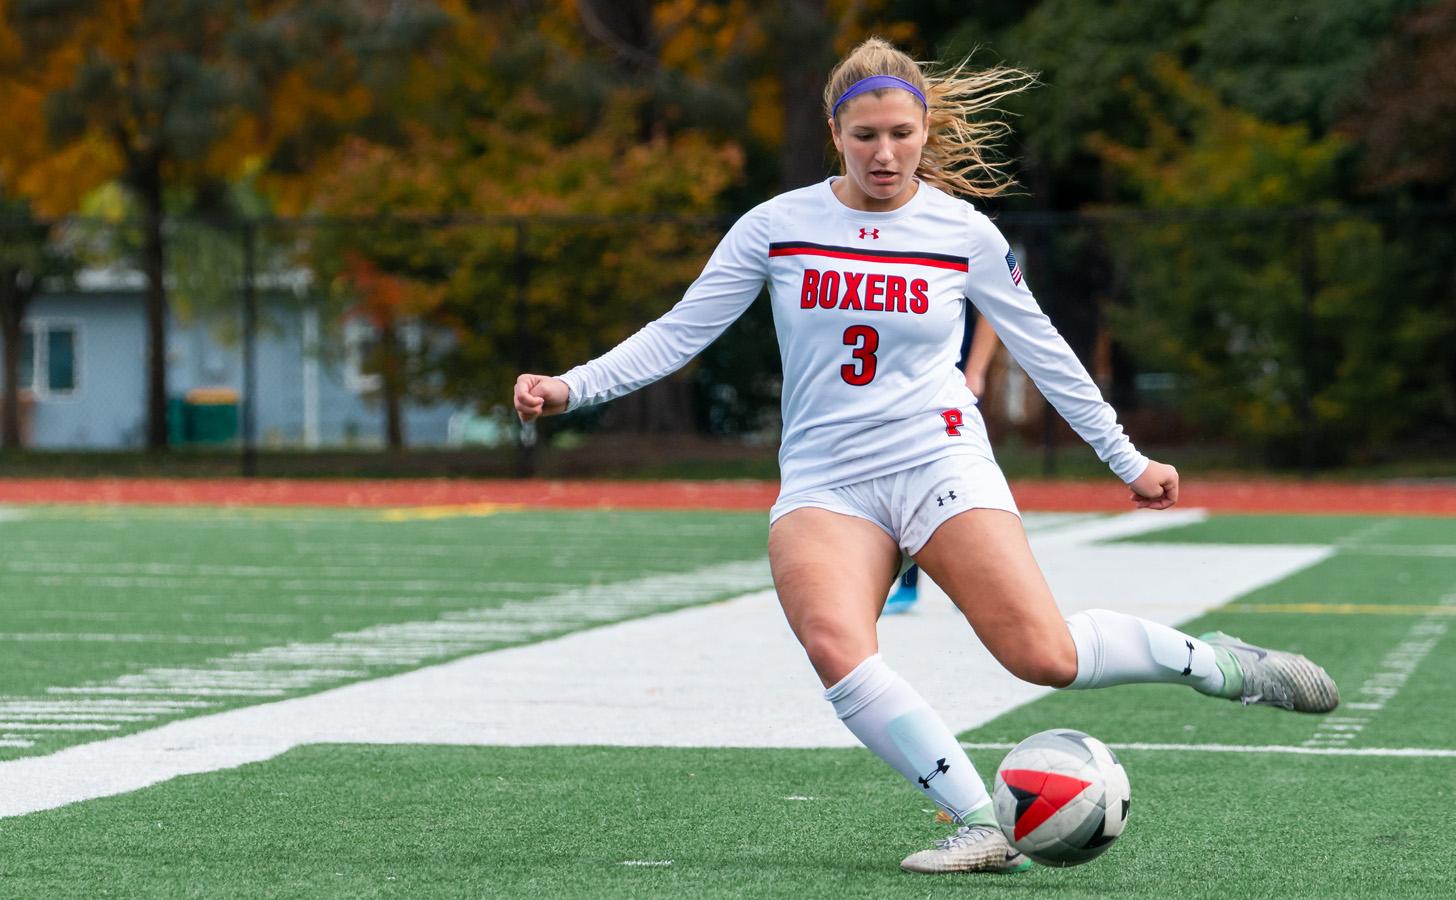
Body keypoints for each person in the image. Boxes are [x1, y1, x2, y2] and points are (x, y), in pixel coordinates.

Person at [513, 37, 1339, 875]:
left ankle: (1217, 664)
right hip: (828, 477)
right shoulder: (777, 226)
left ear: (925, 130)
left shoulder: (961, 231)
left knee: (1042, 657)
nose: (885, 153)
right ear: (835, 131)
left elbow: (1044, 349)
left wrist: (1127, 459)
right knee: (836, 644)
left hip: (939, 460)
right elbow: (680, 332)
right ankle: (983, 824)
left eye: (902, 134)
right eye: (866, 134)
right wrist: (570, 387)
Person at [883, 308, 996, 615]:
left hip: (953, 385)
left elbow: (990, 309)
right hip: (908, 387)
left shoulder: (963, 259)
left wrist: (976, 371)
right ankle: (906, 584)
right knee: (905, 476)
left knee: (960, 481)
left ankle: (969, 582)